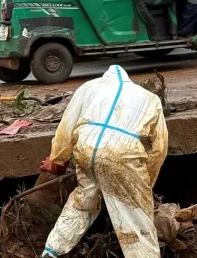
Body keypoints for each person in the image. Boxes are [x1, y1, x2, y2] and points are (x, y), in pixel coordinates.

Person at [40, 65, 168, 258]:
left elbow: (66, 125)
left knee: (83, 203)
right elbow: (159, 148)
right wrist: (145, 182)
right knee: (135, 218)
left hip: (86, 148)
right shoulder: (150, 99)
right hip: (122, 152)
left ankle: (51, 251)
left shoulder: (89, 88)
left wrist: (57, 159)